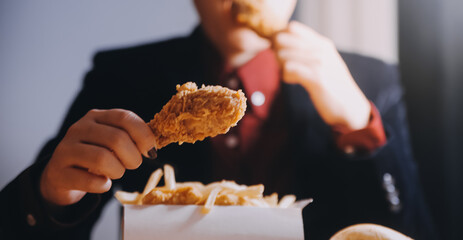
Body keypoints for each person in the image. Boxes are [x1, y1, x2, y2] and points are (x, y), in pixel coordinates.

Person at [0, 0, 437, 239]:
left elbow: (413, 230)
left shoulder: (370, 80)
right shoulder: (123, 75)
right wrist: (51, 195)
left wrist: (359, 123)